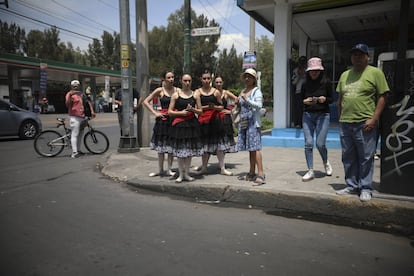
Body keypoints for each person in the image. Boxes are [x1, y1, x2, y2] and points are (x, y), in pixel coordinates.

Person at [336, 43, 389, 201]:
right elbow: (340, 100)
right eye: (354, 55)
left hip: (364, 123)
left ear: (368, 56)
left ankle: (365, 187)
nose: (357, 57)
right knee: (348, 156)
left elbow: (383, 96)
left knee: (366, 157)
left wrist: (374, 118)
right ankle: (352, 185)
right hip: (346, 123)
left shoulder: (375, 73)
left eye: (360, 54)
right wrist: (340, 118)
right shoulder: (345, 75)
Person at [193, 71, 235, 176]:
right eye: (204, 78)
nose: (207, 80)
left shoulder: (216, 92)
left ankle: (222, 168)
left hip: (216, 120)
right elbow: (198, 108)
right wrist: (208, 107)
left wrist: (215, 107)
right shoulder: (197, 92)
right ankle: (204, 167)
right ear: (201, 79)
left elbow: (221, 107)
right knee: (205, 145)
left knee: (219, 145)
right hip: (203, 120)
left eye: (208, 79)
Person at [300, 57, 333, 181]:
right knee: (308, 143)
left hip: (323, 115)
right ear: (308, 71)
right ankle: (310, 170)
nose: (314, 73)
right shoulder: (304, 83)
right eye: (312, 70)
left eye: (317, 70)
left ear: (321, 71)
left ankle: (325, 162)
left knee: (320, 143)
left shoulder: (326, 82)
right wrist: (305, 101)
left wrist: (325, 99)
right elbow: (300, 100)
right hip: (307, 115)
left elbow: (332, 99)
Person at [168, 74, 203, 183]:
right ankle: (180, 174)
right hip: (180, 125)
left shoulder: (195, 95)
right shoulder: (175, 95)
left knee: (189, 150)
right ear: (181, 81)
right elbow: (170, 111)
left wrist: (193, 109)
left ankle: (187, 173)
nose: (187, 83)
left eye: (189, 81)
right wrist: (181, 113)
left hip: (191, 124)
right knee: (179, 151)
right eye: (185, 81)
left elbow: (201, 111)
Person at [143, 71, 177, 177]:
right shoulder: (160, 90)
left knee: (171, 146)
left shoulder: (177, 90)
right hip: (162, 120)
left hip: (173, 119)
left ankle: (170, 169)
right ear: (164, 79)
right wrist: (155, 112)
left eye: (172, 77)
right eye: (169, 77)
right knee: (161, 146)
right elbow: (146, 101)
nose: (171, 79)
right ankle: (161, 169)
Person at [236, 68, 266, 185]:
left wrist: (246, 99)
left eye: (250, 77)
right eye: (246, 77)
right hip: (245, 122)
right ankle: (251, 172)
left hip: (253, 123)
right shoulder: (244, 90)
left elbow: (259, 106)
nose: (247, 79)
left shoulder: (256, 91)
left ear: (254, 79)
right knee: (250, 148)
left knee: (256, 148)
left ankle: (261, 173)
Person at [65, 80, 96, 158]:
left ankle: (78, 150)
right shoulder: (69, 94)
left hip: (82, 117)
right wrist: (70, 96)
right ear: (71, 86)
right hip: (74, 117)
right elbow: (67, 104)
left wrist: (92, 111)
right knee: (74, 134)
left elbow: (88, 102)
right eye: (74, 86)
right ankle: (74, 152)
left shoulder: (81, 94)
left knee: (80, 134)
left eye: (77, 85)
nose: (76, 87)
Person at [291, 56, 307, 128]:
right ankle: (298, 123)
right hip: (299, 92)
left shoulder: (309, 71)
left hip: (308, 92)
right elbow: (293, 82)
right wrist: (299, 75)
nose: (302, 65)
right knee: (298, 108)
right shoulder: (295, 71)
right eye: (301, 63)